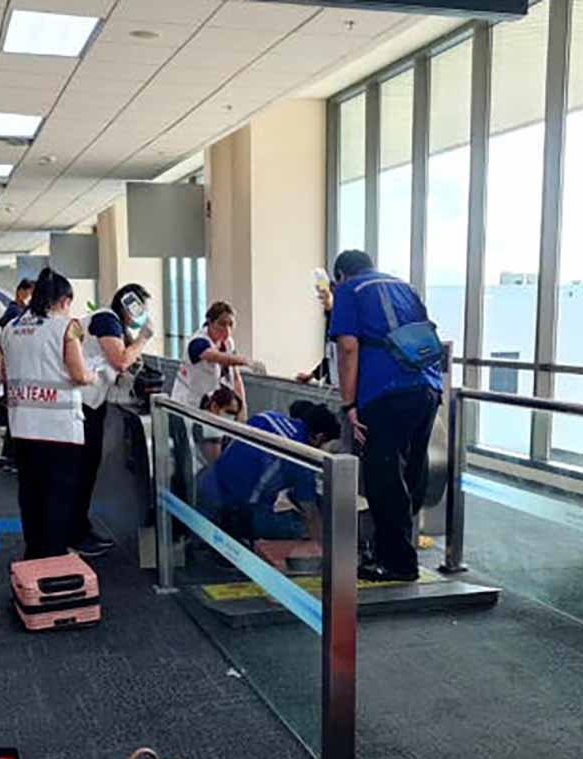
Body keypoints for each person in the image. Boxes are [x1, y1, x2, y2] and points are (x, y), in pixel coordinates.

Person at [326, 249, 442, 583]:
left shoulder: (349, 291)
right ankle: (398, 551)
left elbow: (348, 347)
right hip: (426, 388)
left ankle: (397, 563)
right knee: (411, 472)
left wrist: (349, 405)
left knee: (383, 476)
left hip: (385, 393)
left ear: (341, 275)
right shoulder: (404, 287)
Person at [0, 268, 94, 559]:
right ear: (63, 300)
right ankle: (53, 558)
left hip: (23, 427)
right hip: (59, 429)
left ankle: (34, 552)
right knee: (58, 496)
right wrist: (94, 375)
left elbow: (3, 373)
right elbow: (78, 374)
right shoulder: (65, 328)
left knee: (30, 494)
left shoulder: (10, 327)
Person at [77, 283, 155, 556]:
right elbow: (121, 361)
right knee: (81, 469)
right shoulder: (106, 319)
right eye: (139, 307)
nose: (142, 313)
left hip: (91, 403)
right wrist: (143, 338)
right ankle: (75, 532)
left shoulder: (113, 325)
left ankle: (79, 528)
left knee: (87, 468)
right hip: (82, 404)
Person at [197, 403, 340, 543]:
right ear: (319, 437)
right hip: (233, 513)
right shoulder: (301, 456)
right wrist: (327, 550)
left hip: (206, 485)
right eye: (331, 448)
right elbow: (311, 514)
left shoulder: (267, 417)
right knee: (299, 526)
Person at [172, 301, 247, 411]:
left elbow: (235, 377)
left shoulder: (228, 343)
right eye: (222, 324)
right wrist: (246, 361)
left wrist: (242, 408)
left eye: (231, 324)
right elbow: (217, 357)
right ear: (210, 322)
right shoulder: (197, 342)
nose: (227, 330)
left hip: (210, 402)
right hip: (188, 402)